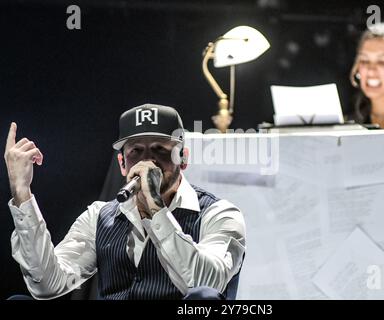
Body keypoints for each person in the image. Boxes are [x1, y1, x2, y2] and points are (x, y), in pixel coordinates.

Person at [4, 103, 246, 300]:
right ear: (122, 164)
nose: (148, 160)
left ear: (183, 158)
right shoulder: (100, 216)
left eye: (161, 149)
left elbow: (207, 285)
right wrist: (21, 192)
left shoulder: (218, 213)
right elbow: (46, 285)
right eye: (136, 151)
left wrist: (154, 208)